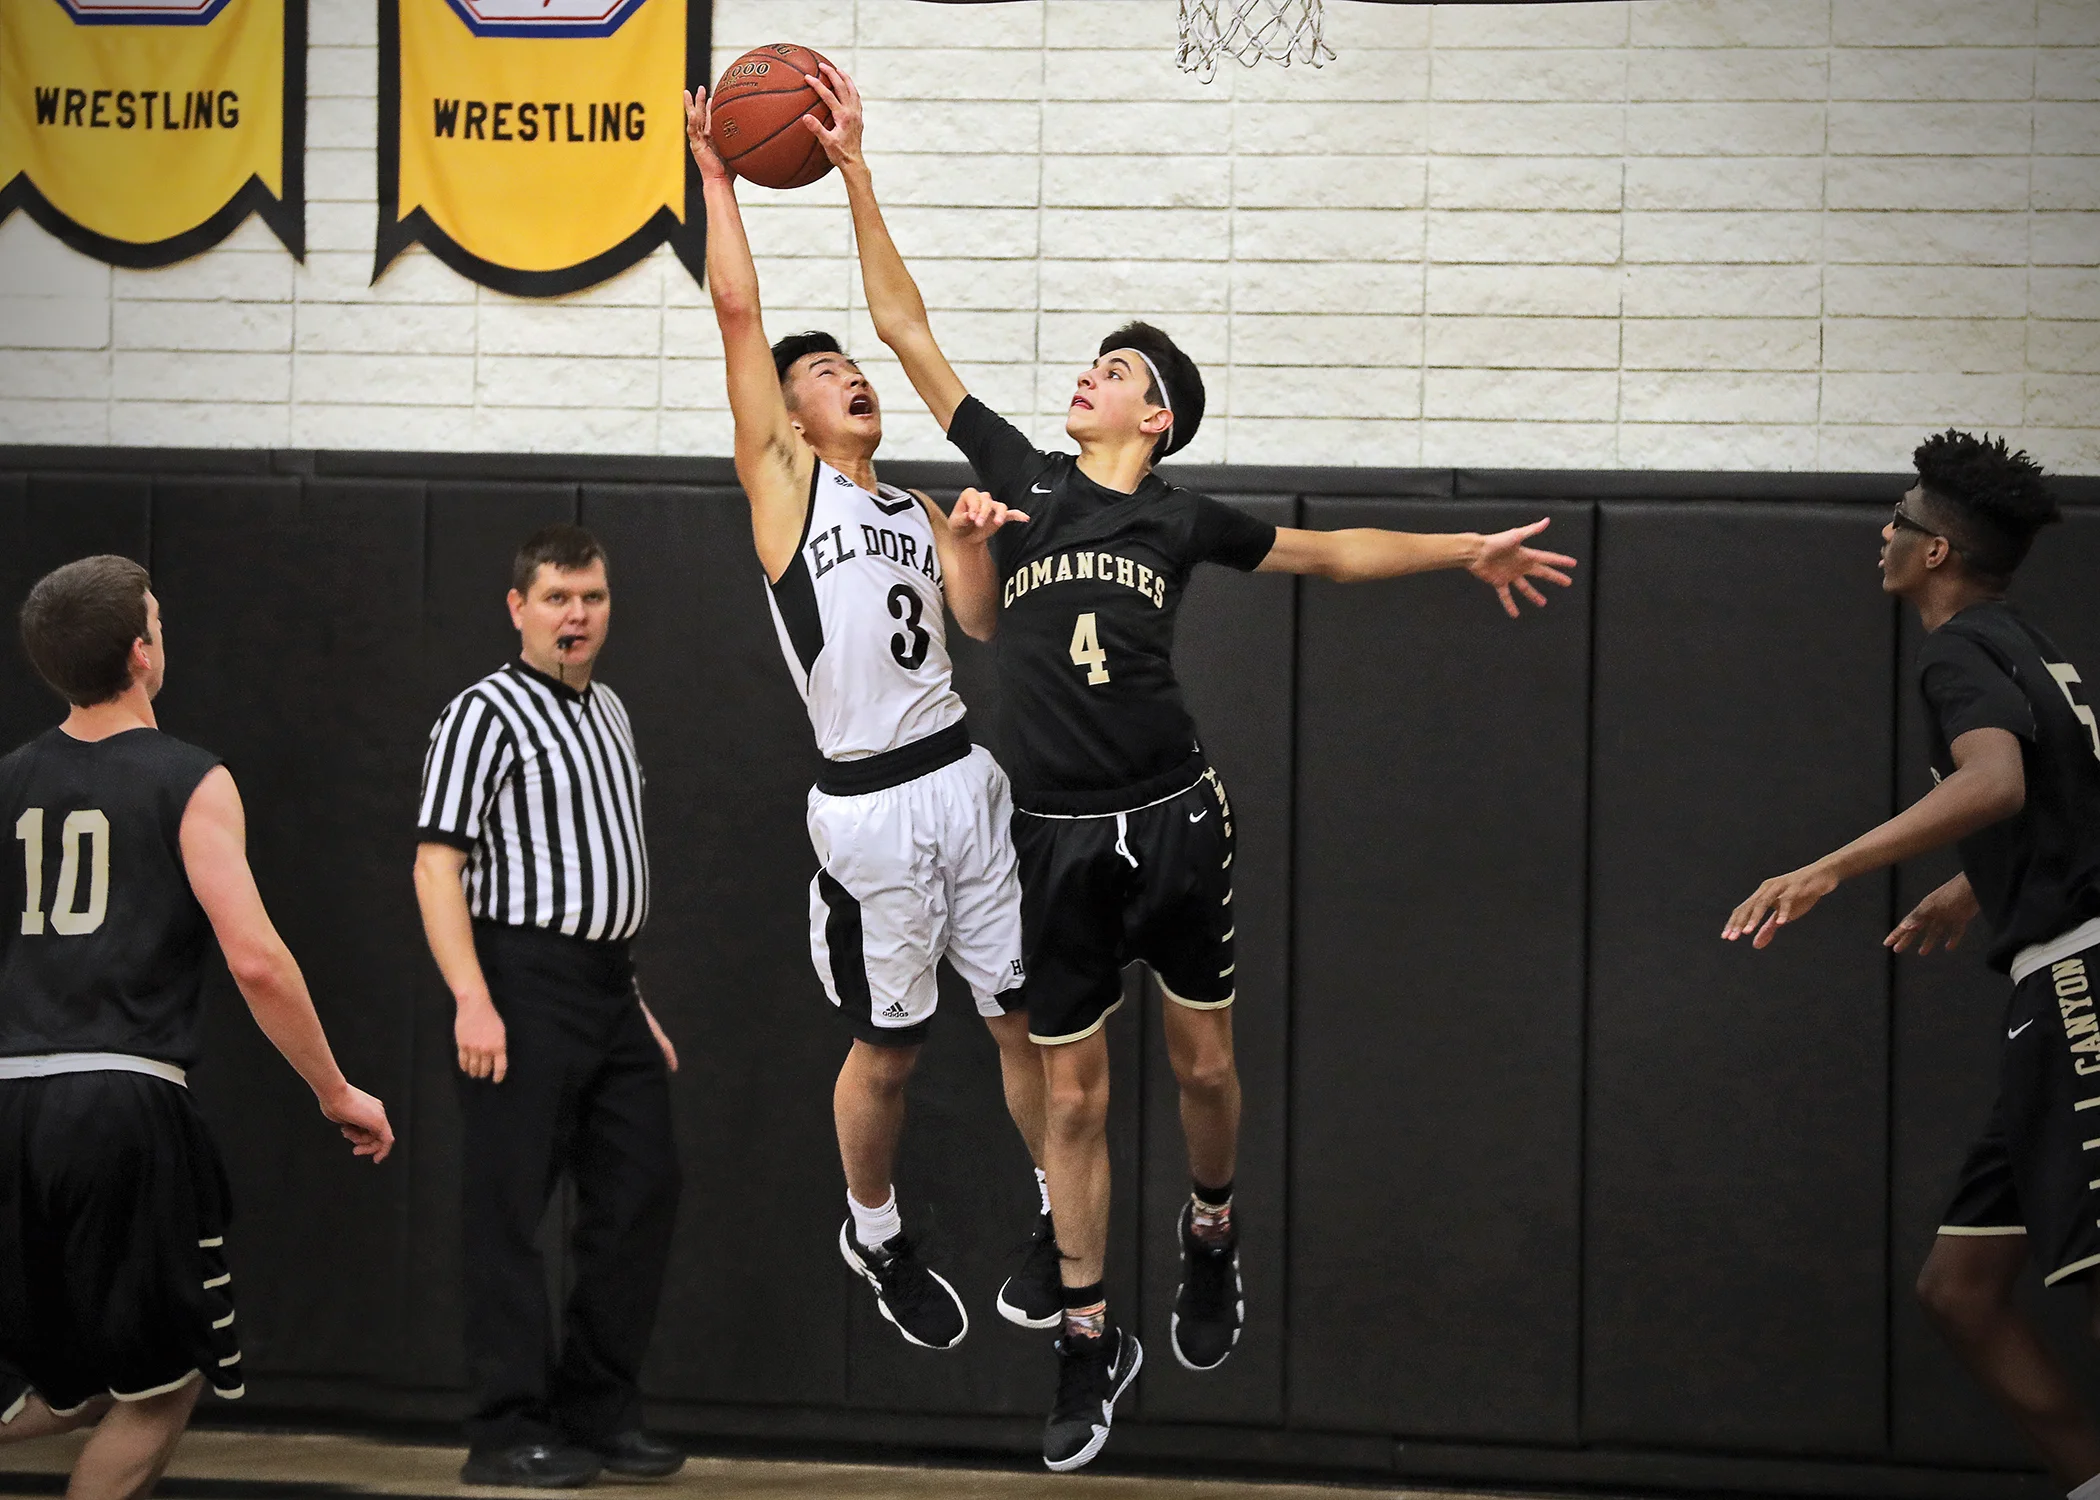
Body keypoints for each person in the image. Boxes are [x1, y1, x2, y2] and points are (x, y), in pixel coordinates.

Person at [788, 63, 1580, 1471]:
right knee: (1074, 1095)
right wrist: (855, 173)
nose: (1093, 371)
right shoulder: (1019, 481)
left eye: (1123, 371)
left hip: (1175, 818)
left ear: (1153, 422)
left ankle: (1209, 1231)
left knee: (1203, 1070)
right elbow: (905, 328)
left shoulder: (1186, 518)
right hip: (1048, 832)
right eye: (1098, 361)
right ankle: (1091, 1340)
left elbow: (1331, 553)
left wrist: (1464, 550)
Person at [683, 82, 1056, 1353]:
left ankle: (1067, 1221)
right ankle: (874, 1228)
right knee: (890, 1050)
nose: (850, 376)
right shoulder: (784, 492)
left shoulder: (906, 506)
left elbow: (983, 630)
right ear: (785, 415)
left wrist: (971, 544)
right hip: (868, 807)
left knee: (1022, 1017)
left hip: (966, 777)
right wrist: (720, 175)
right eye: (826, 369)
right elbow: (742, 311)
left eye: (853, 366)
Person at [1725, 431, 2100, 1500]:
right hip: (2053, 978)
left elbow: (1995, 786)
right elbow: (2061, 796)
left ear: (1934, 554)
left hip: (2080, 980)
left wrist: (1828, 868)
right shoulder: (2019, 640)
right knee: (1962, 1289)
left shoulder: (1955, 651)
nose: (1881, 535)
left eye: (1898, 521)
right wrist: (1976, 883)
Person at [0, 556, 394, 1500]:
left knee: (74, 1384)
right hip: (117, 1103)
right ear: (143, 654)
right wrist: (336, 1090)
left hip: (10, 1104)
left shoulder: (10, 779)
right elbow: (255, 960)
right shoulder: (190, 778)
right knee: (164, 1388)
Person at [413, 525, 684, 1488]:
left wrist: (634, 999)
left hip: (608, 991)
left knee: (641, 1195)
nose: (578, 616)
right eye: (559, 598)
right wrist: (472, 999)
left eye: (593, 598)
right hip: (518, 986)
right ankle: (506, 1430)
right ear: (518, 607)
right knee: (508, 1213)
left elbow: (599, 871)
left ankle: (598, 1411)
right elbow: (437, 864)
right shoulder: (482, 716)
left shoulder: (609, 708)